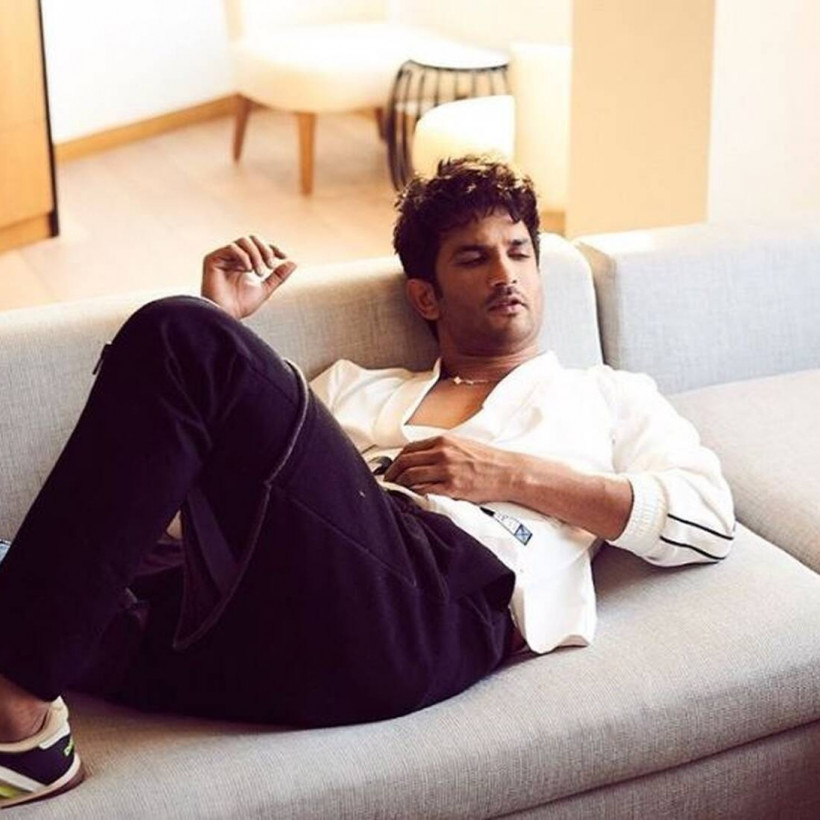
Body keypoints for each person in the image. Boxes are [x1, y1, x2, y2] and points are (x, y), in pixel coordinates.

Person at [0, 157, 734, 808]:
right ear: (426, 297)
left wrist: (509, 473)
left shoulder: (605, 396)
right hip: (261, 631)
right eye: (474, 257)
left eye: (519, 252)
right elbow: (169, 514)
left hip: (424, 613)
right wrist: (222, 325)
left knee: (176, 331)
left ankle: (23, 732)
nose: (506, 273)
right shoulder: (355, 389)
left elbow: (707, 518)